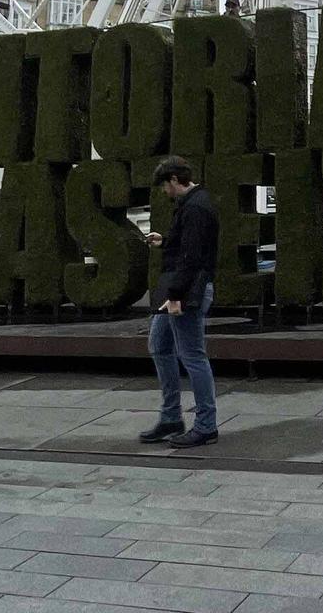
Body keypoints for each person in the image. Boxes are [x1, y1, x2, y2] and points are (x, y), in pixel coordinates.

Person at [139, 156, 219, 448]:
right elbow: (186, 246)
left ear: (174, 180)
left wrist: (175, 297)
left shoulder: (196, 208)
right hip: (179, 287)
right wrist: (166, 241)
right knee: (159, 345)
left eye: (164, 186)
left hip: (186, 290)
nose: (164, 192)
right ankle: (171, 417)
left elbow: (192, 258)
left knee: (193, 355)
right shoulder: (193, 204)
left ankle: (206, 425)